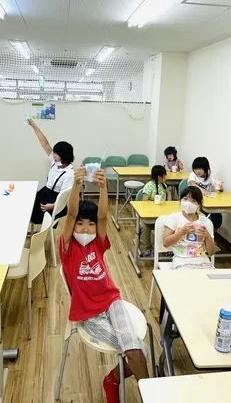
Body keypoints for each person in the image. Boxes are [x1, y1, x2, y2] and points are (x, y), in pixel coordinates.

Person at [61, 166, 148, 402]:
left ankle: (115, 380)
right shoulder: (68, 248)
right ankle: (131, 385)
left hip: (112, 302)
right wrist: (77, 185)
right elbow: (70, 215)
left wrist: (103, 187)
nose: (85, 229)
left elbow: (102, 217)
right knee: (137, 351)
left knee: (136, 351)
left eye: (89, 225)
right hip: (90, 314)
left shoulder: (98, 243)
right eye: (80, 224)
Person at [27, 119, 74, 224]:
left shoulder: (69, 174)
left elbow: (64, 196)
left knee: (37, 216)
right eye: (54, 153)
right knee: (27, 206)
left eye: (57, 154)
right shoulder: (55, 162)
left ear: (64, 156)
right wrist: (34, 125)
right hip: (44, 193)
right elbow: (44, 143)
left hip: (54, 200)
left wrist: (53, 206)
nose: (54, 155)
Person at [163, 186, 216, 269]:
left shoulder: (206, 222)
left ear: (199, 204)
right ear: (180, 200)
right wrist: (182, 231)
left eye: (193, 200)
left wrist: (207, 236)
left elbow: (212, 252)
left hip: (203, 262)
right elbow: (166, 243)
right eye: (185, 198)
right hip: (181, 261)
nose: (188, 203)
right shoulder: (174, 218)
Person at [139, 165, 168, 257]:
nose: (166, 177)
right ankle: (148, 247)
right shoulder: (149, 186)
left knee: (170, 225)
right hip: (150, 215)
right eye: (164, 175)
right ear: (159, 177)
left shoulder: (163, 185)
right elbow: (144, 202)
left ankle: (165, 248)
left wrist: (169, 200)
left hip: (162, 214)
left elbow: (168, 193)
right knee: (144, 226)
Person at [187, 156, 223, 228]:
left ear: (206, 168)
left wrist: (220, 188)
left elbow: (217, 188)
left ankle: (212, 231)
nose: (198, 171)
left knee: (217, 215)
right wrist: (203, 190)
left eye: (200, 169)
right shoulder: (193, 175)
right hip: (193, 201)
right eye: (196, 169)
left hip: (206, 202)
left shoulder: (209, 177)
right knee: (201, 217)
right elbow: (192, 183)